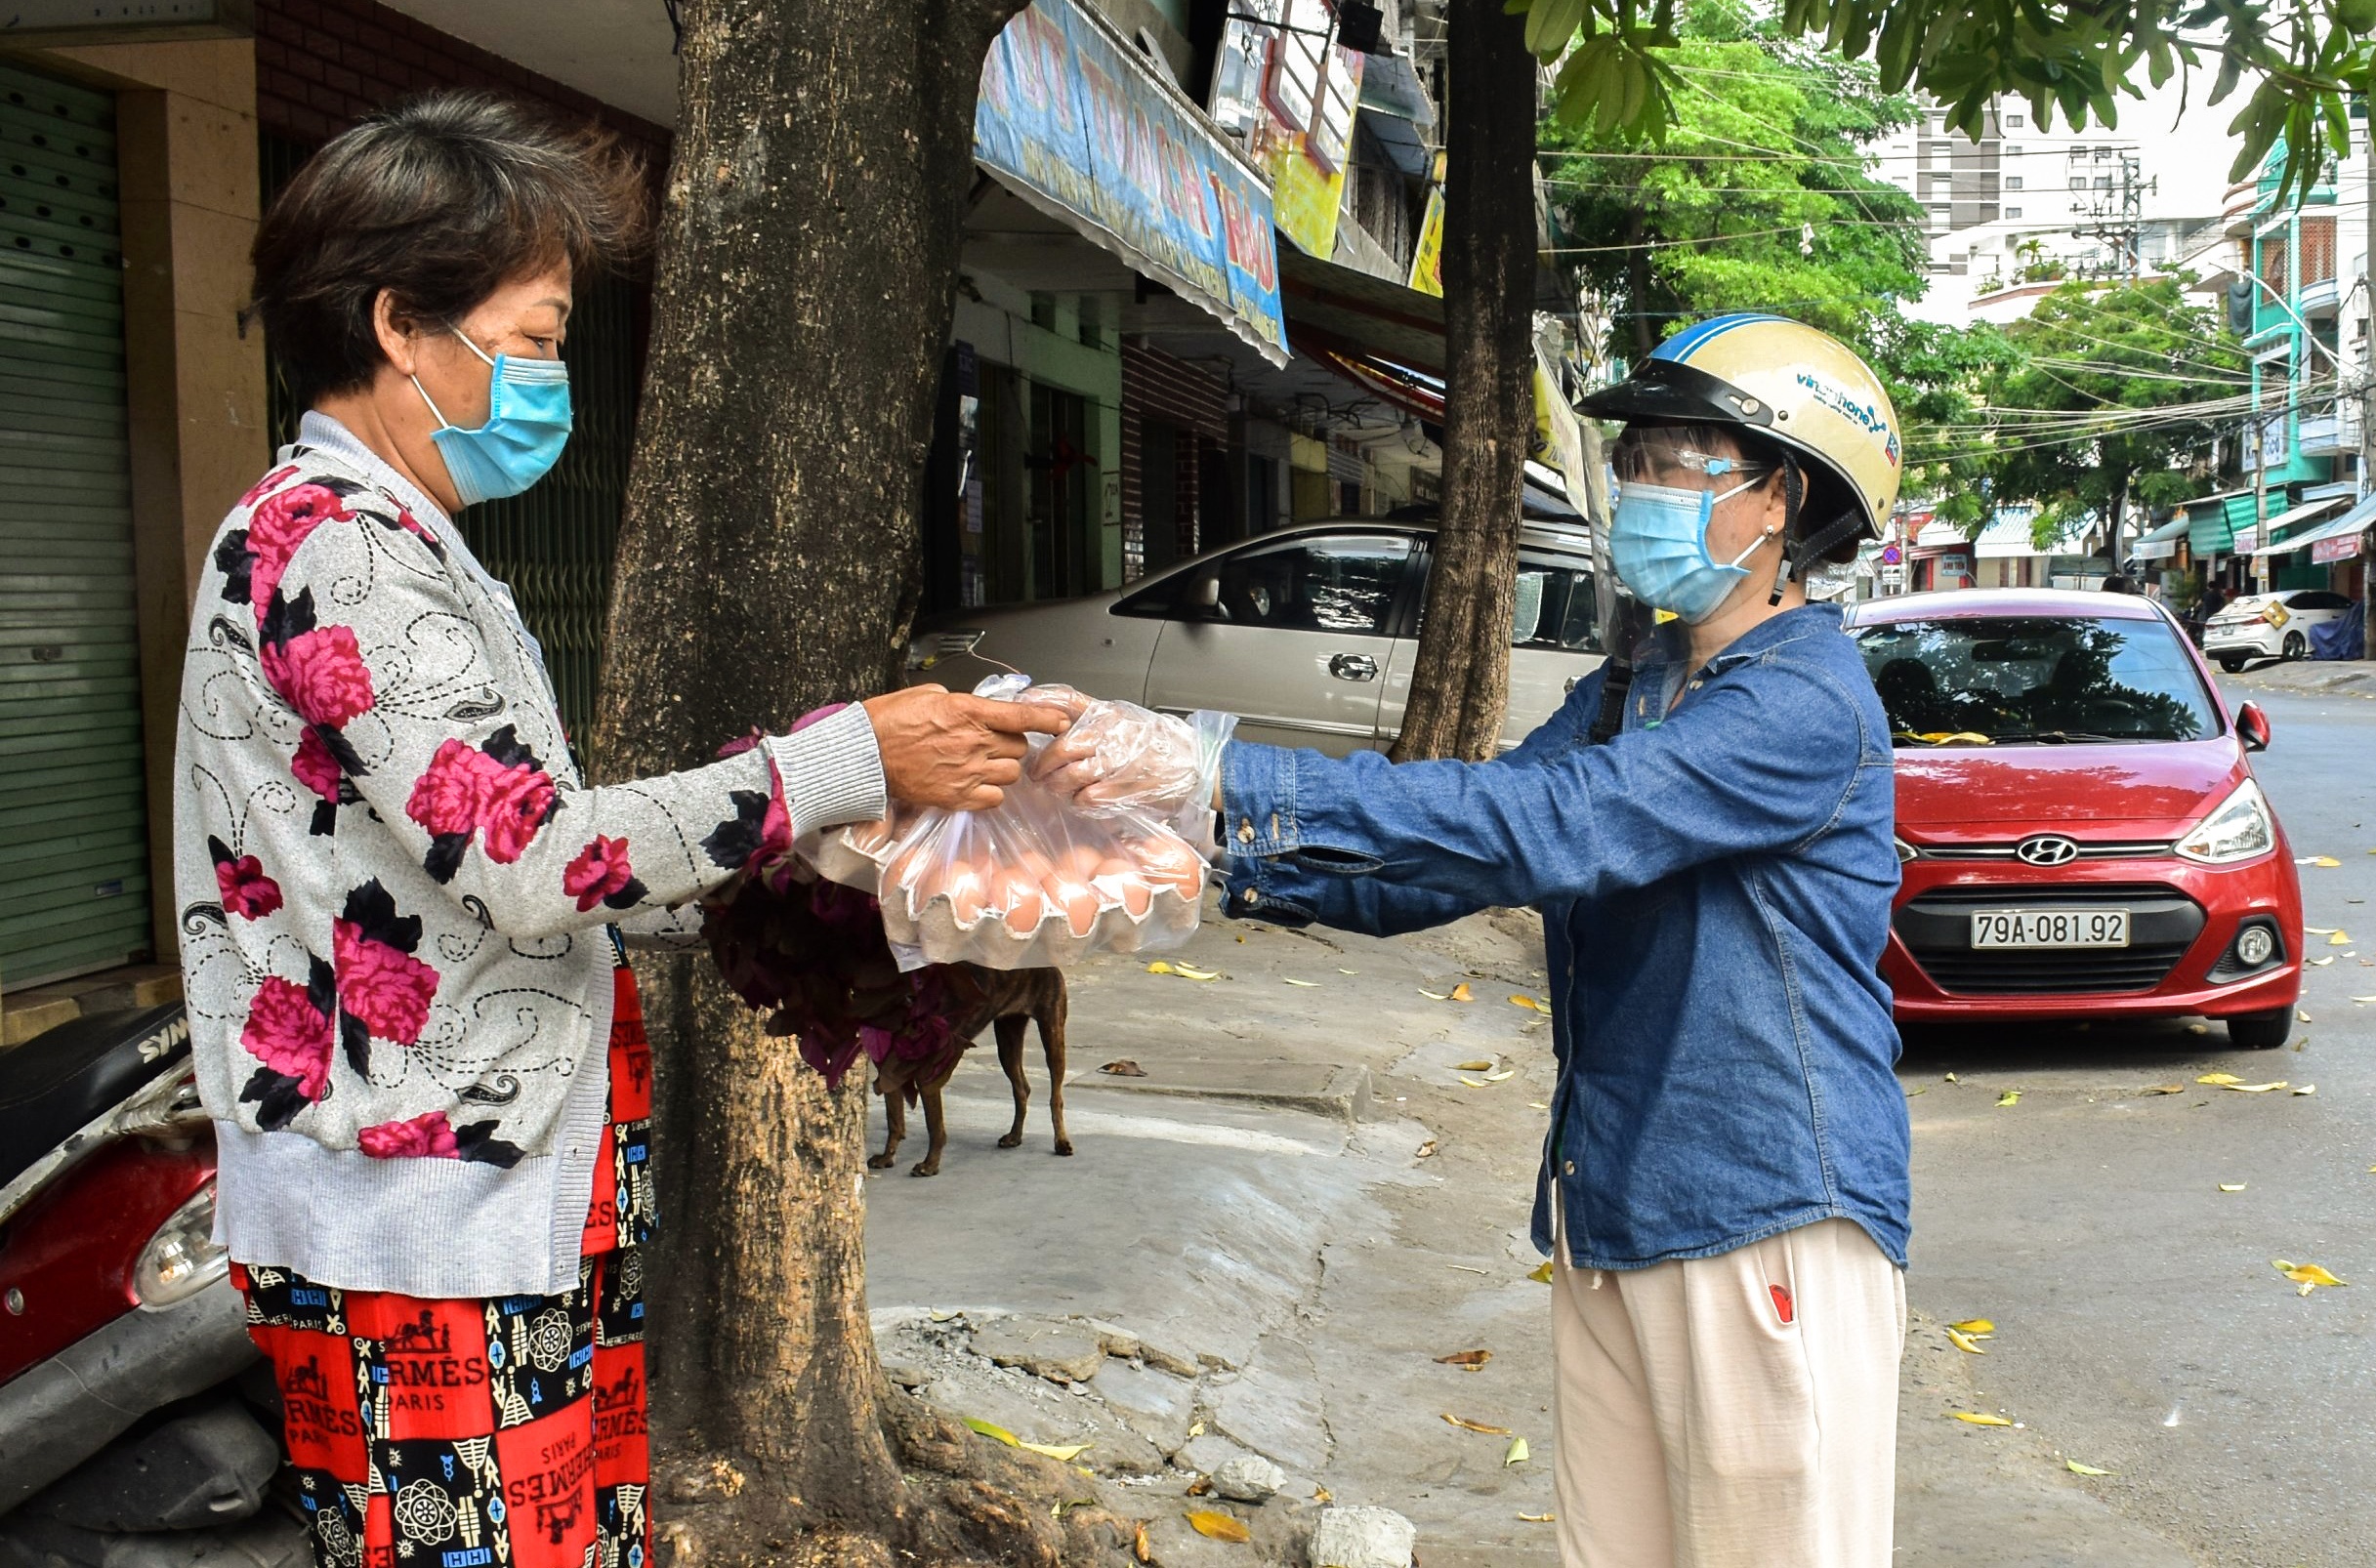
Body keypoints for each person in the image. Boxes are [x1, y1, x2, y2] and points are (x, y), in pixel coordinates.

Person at [173, 92, 1057, 1568]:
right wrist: (837, 759)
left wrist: (801, 874)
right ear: (403, 325)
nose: (549, 376)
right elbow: (527, 859)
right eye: (530, 337)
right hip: (422, 1220)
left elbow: (485, 870)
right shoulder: (330, 545)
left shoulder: (393, 541)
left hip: (499, 1197)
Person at [1036, 316, 1911, 1567]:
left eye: (1675, 459)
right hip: (1613, 1208)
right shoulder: (1640, 683)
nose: (1640, 488)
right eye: (1638, 459)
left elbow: (1558, 821)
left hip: (1762, 1211)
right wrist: (1173, 845)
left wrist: (1215, 764)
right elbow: (1449, 856)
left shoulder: (1801, 704)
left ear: (1781, 496)